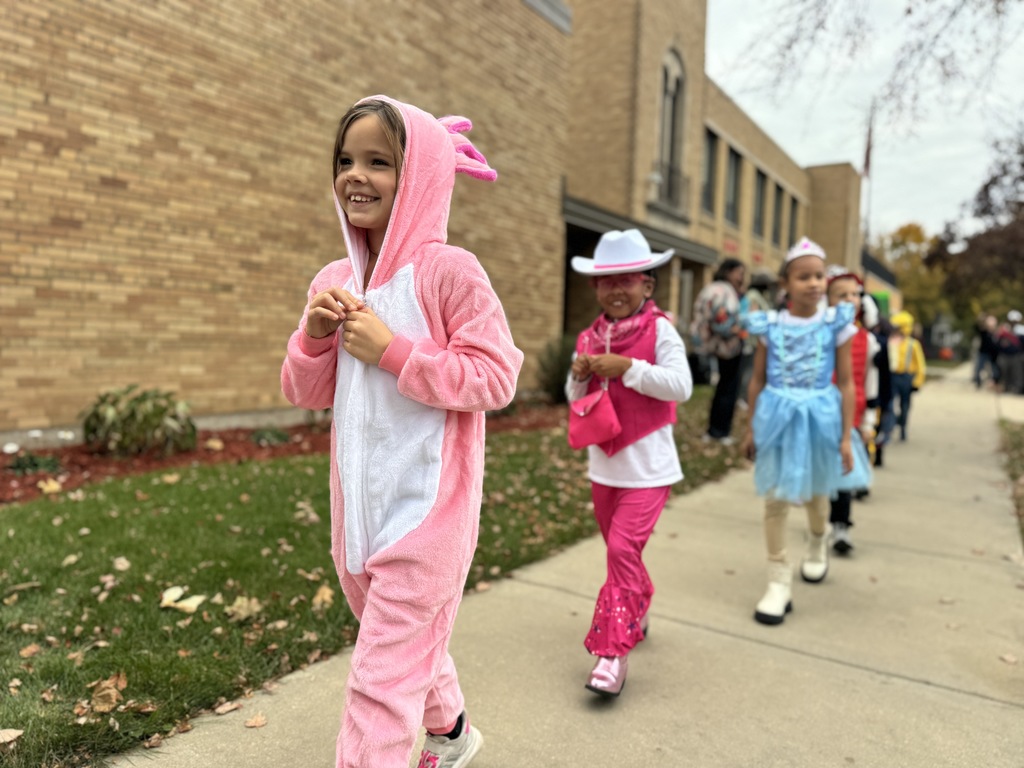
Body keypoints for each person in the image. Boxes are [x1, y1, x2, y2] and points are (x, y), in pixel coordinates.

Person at [280, 95, 523, 768]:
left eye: (380, 162)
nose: (356, 175)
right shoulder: (333, 281)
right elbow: (303, 391)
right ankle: (453, 736)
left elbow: (495, 377)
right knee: (408, 645)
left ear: (418, 177)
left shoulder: (451, 272)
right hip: (358, 523)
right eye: (346, 160)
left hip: (427, 518)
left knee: (379, 684)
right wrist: (314, 336)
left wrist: (394, 351)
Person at [566, 229, 693, 697]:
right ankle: (638, 603)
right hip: (605, 468)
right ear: (596, 288)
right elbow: (571, 396)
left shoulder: (660, 329)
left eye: (628, 279)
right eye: (606, 281)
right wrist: (580, 376)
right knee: (623, 555)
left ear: (647, 285)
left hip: (650, 470)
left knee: (620, 552)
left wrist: (630, 370)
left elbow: (681, 385)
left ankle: (612, 653)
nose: (616, 289)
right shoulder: (589, 335)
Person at [740, 237, 856, 626]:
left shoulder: (835, 323)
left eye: (819, 275)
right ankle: (777, 582)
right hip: (776, 419)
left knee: (815, 495)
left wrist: (844, 436)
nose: (814, 283)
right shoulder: (769, 326)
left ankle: (819, 539)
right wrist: (752, 428)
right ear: (785, 283)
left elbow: (848, 382)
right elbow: (756, 381)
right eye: (803, 276)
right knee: (775, 499)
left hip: (820, 418)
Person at [825, 268, 878, 553]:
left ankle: (841, 525)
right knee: (820, 469)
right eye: (843, 294)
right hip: (818, 411)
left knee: (844, 469)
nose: (851, 300)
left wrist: (869, 416)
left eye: (856, 295)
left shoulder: (866, 340)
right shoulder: (818, 331)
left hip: (850, 413)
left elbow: (870, 380)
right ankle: (819, 517)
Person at [692, 258, 747, 444]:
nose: (742, 278)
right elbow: (721, 322)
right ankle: (720, 432)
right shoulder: (724, 291)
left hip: (712, 346)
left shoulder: (711, 288)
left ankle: (714, 430)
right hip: (727, 349)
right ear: (728, 271)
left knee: (722, 389)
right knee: (728, 389)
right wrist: (738, 329)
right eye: (739, 273)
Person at [738, 272, 777, 411]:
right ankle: (744, 397)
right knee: (750, 370)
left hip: (758, 341)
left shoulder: (759, 297)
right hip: (752, 341)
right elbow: (751, 317)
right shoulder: (753, 296)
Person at [888, 310, 926, 441]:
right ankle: (891, 424)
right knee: (890, 403)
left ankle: (903, 427)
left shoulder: (913, 344)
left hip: (906, 377)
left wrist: (917, 382)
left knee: (905, 406)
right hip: (893, 377)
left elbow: (921, 365)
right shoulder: (892, 342)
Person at [972, 313, 1000, 390]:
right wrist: (981, 320)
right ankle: (978, 382)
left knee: (995, 370)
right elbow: (977, 328)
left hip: (993, 355)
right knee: (979, 368)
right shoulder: (984, 332)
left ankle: (994, 383)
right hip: (983, 353)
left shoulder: (996, 334)